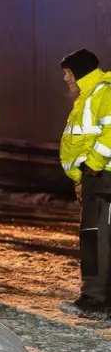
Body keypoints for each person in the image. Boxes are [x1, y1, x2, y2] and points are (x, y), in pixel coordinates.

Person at [58, 49, 111, 318]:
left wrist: (92, 164)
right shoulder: (90, 94)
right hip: (95, 178)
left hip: (101, 178)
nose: (66, 79)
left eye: (68, 73)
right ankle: (100, 298)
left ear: (80, 72)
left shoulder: (101, 92)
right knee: (98, 237)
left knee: (95, 238)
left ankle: (94, 299)